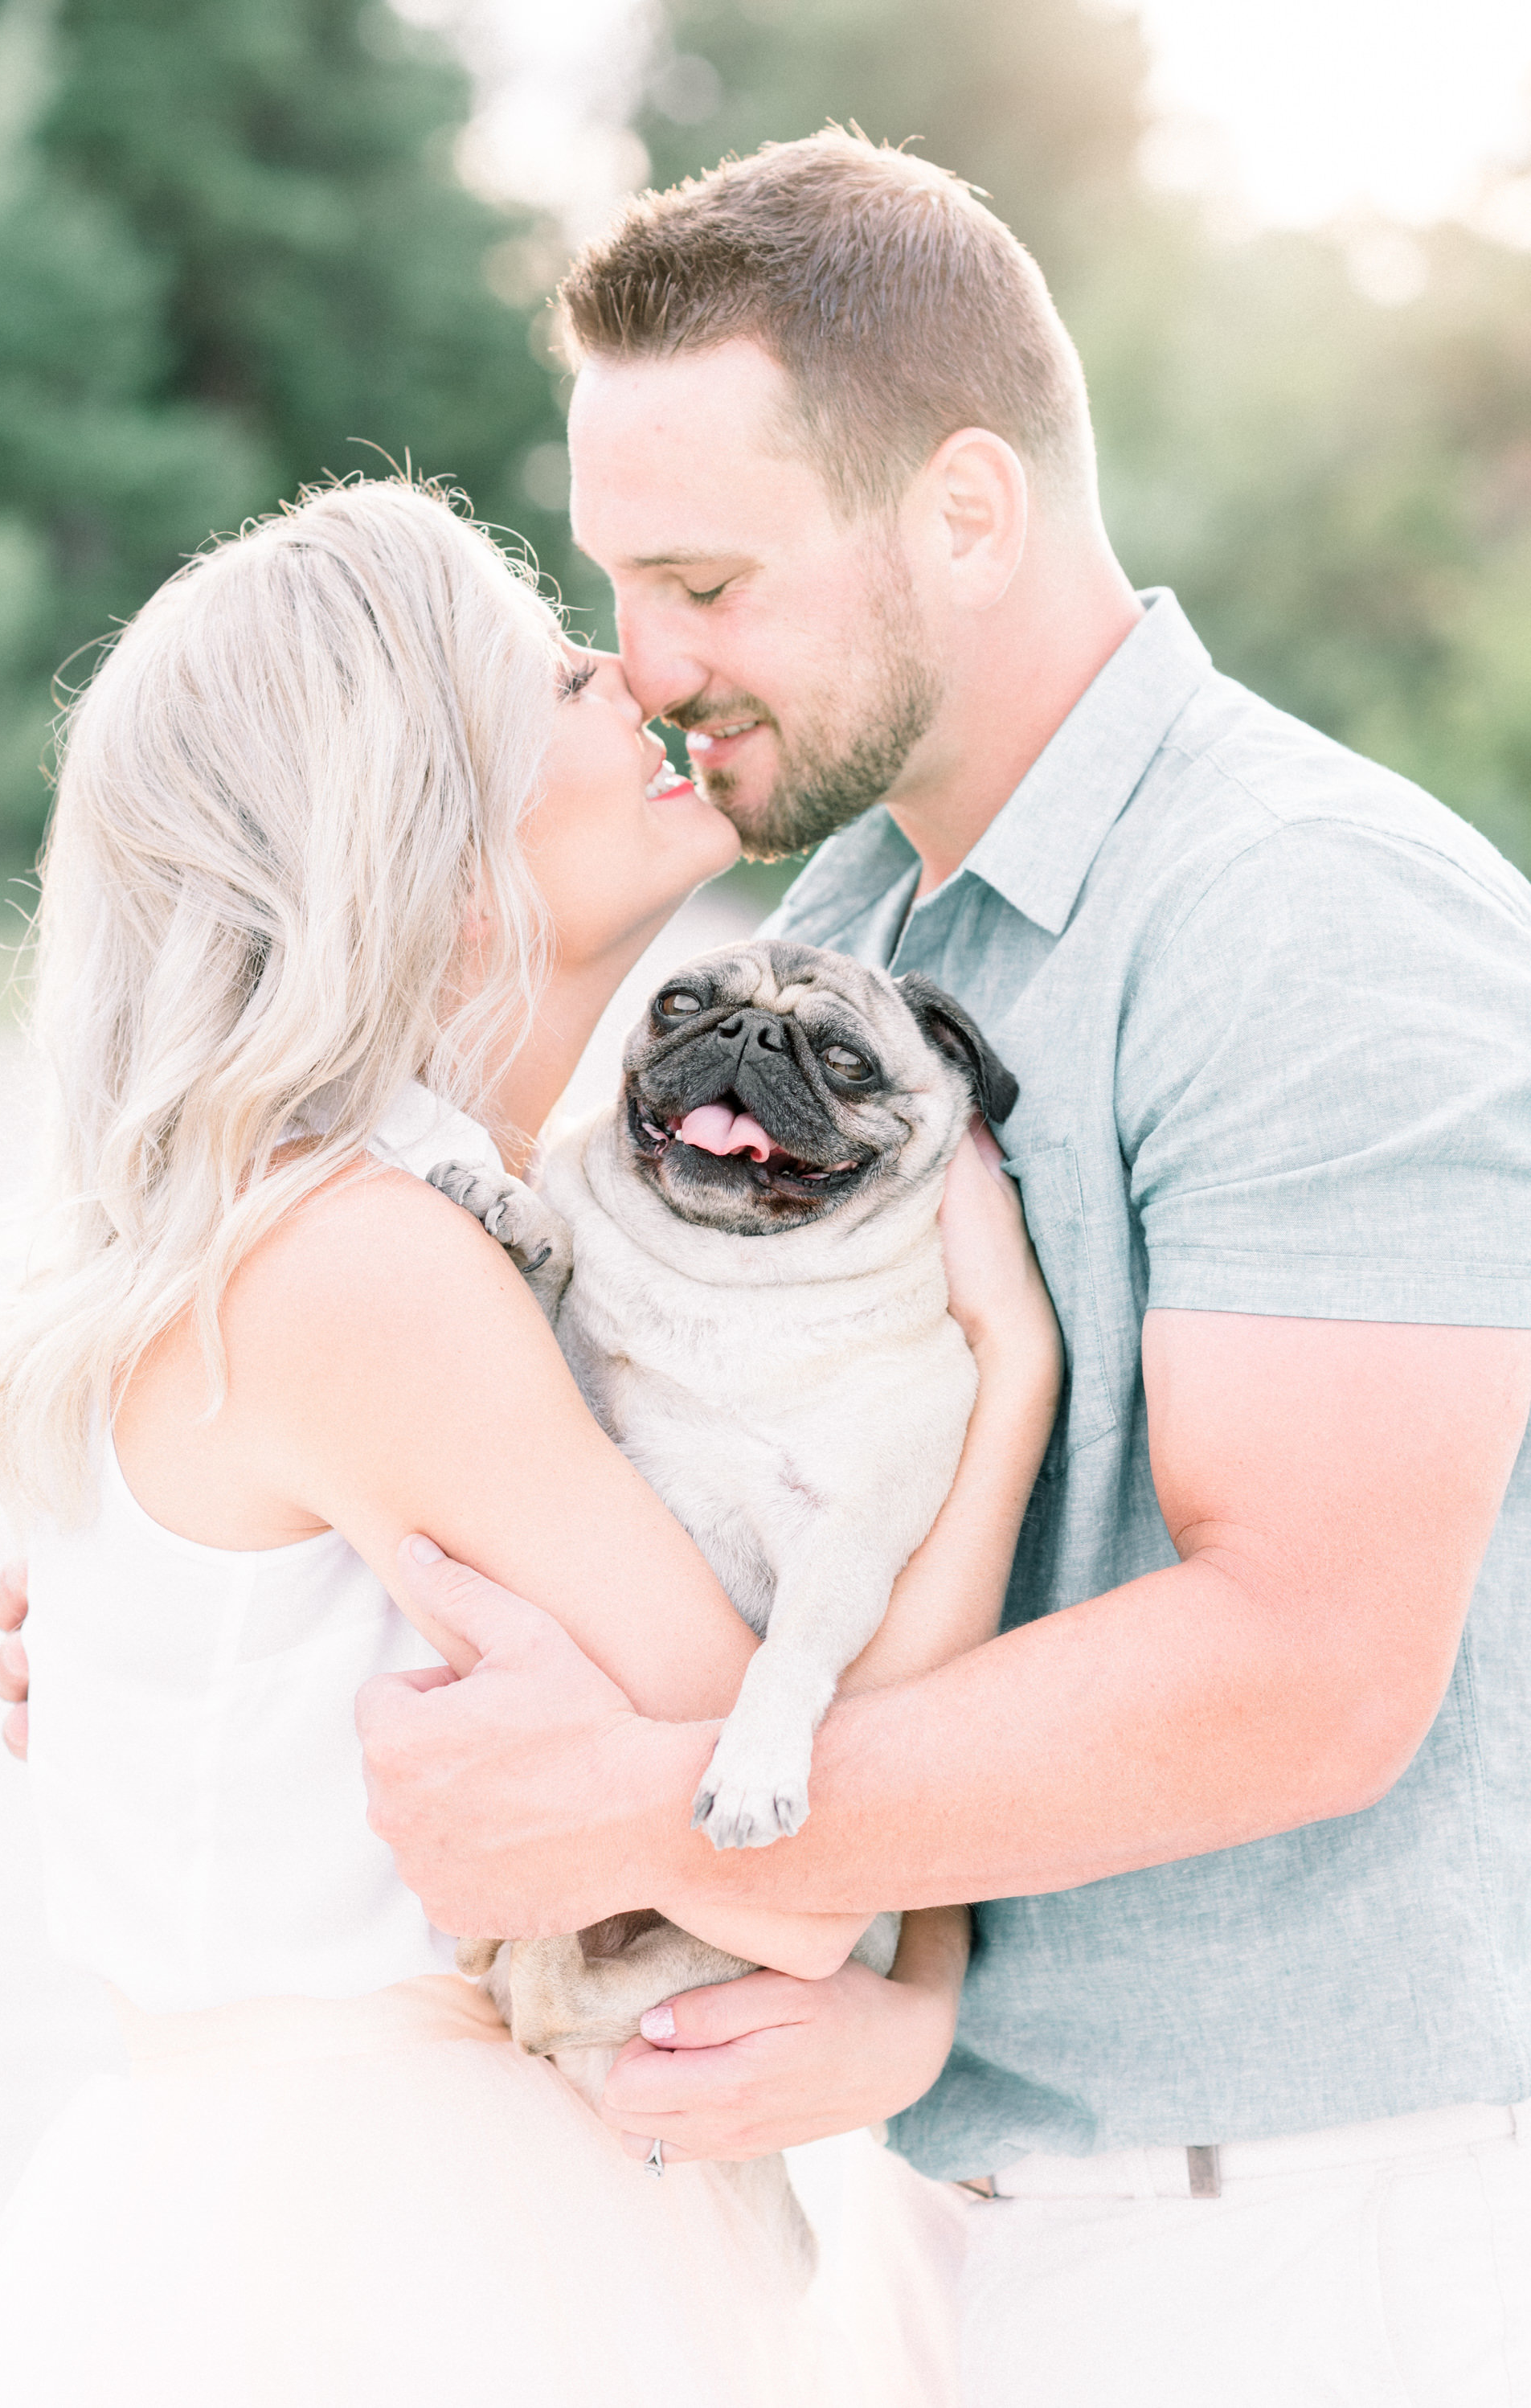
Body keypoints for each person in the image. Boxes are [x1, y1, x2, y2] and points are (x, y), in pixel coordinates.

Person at [314, 134, 1531, 2405]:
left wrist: (663, 1801)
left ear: (967, 512)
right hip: (936, 2203)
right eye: (618, 583)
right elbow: (637, 1437)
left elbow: (1311, 1664)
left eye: (705, 579)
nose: (651, 668)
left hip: (1290, 2224)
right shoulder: (835, 940)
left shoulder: (1320, 921)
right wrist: (242, 1570)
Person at [0, 474, 1060, 2407]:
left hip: (411, 2198)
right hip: (402, 2257)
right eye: (556, 672)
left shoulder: (407, 1220)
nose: (629, 681)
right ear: (426, 825)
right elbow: (792, 1875)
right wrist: (1006, 1377)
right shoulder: (370, 1266)